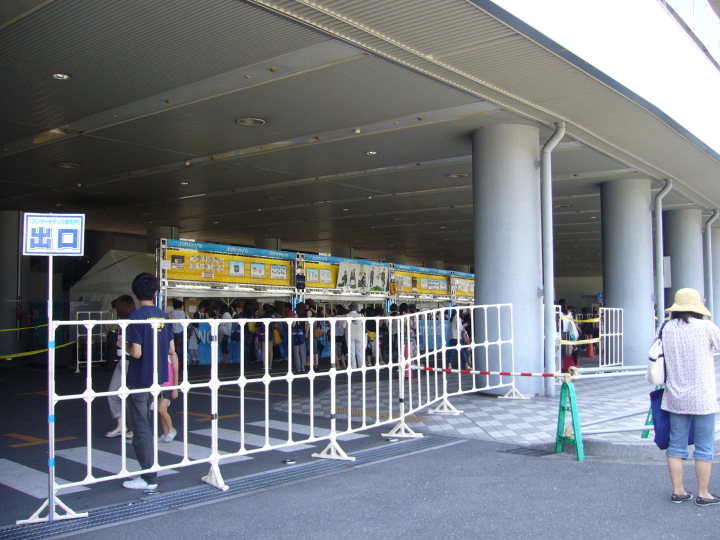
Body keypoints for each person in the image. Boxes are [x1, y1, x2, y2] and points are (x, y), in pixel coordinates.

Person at [661, 288, 720, 506]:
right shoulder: (706, 327)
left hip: (675, 395)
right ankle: (704, 494)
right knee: (704, 447)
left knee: (676, 445)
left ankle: (678, 491)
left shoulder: (666, 328)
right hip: (703, 397)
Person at [122, 272, 175, 490]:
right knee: (148, 421)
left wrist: (123, 345)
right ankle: (149, 471)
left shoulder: (135, 317)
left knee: (140, 426)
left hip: (140, 376)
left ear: (136, 293)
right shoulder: (163, 316)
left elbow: (136, 352)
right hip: (159, 376)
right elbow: (171, 349)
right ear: (155, 293)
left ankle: (148, 477)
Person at [105, 295, 136, 438]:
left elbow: (135, 346)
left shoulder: (131, 323)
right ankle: (121, 425)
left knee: (132, 396)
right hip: (122, 361)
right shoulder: (122, 323)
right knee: (113, 393)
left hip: (130, 361)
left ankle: (135, 427)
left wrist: (123, 344)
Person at [158, 346, 179, 442]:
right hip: (159, 385)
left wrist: (175, 388)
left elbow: (176, 372)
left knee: (161, 409)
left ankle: (171, 430)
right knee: (161, 411)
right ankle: (166, 432)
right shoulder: (159, 354)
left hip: (168, 386)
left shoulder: (172, 355)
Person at [168, 298, 187, 368]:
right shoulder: (184, 313)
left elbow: (168, 323)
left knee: (175, 348)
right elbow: (189, 321)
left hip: (174, 332)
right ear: (181, 306)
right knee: (183, 347)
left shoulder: (171, 313)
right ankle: (183, 362)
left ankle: (176, 362)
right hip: (182, 332)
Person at [346, 302, 364, 369]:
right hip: (360, 335)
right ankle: (361, 366)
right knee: (360, 352)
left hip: (350, 336)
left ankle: (353, 367)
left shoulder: (347, 315)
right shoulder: (361, 315)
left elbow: (344, 326)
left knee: (351, 352)